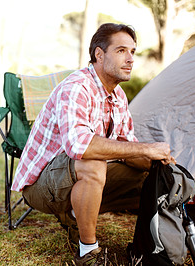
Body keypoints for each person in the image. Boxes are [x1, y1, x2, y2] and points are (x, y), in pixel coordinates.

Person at [12, 23, 176, 265]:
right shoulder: (77, 87)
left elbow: (127, 147)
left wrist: (156, 160)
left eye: (133, 51)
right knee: (93, 163)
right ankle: (87, 253)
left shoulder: (118, 96)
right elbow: (80, 146)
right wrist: (146, 148)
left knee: (153, 173)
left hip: (73, 180)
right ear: (99, 55)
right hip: (40, 188)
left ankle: (146, 247)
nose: (130, 59)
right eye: (121, 51)